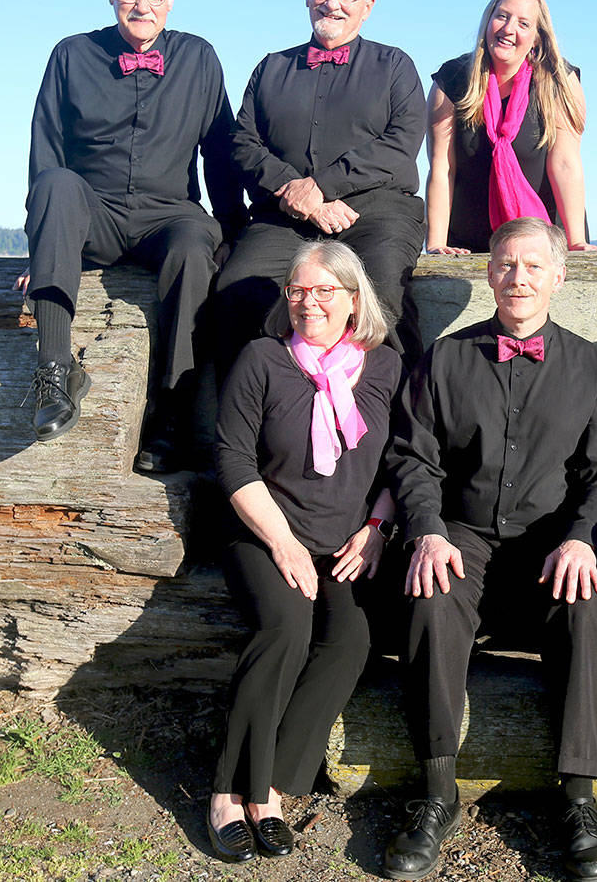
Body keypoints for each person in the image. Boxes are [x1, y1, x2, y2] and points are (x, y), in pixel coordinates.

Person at [382, 218, 597, 881]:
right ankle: (435, 790)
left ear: (558, 275)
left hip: (550, 543)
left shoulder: (591, 366)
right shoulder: (446, 358)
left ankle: (576, 795)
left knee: (588, 609)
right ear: (488, 273)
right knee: (428, 593)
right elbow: (412, 456)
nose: (518, 277)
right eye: (506, 264)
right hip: (463, 535)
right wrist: (426, 526)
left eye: (533, 265)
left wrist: (581, 537)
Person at [207, 241, 399, 863]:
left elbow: (402, 462)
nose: (308, 302)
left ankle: (274, 785)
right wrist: (282, 541)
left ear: (353, 299)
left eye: (323, 291)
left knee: (350, 640)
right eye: (297, 290)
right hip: (264, 533)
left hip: (345, 541)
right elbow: (232, 457)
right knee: (287, 627)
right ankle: (229, 792)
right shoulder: (263, 358)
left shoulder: (385, 367)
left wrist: (375, 527)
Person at [19, 0, 245, 470]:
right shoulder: (71, 54)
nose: (143, 5)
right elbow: (44, 150)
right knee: (55, 181)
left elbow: (219, 151)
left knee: (194, 240)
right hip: (90, 212)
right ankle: (55, 370)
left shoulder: (199, 57)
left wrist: (235, 231)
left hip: (167, 215)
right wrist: (45, 246)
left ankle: (171, 416)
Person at [217, 0, 427, 372]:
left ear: (367, 8)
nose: (333, 3)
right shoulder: (270, 68)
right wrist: (296, 191)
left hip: (376, 212)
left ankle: (404, 429)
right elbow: (243, 142)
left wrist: (321, 187)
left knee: (385, 292)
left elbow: (400, 142)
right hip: (284, 214)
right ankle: (248, 423)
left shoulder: (395, 66)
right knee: (236, 290)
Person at [425, 0, 590, 254]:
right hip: (469, 244)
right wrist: (436, 244)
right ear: (488, 20)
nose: (508, 29)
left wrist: (577, 242)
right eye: (501, 16)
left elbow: (565, 164)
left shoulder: (560, 81)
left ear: (537, 38)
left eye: (523, 23)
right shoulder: (452, 80)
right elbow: (443, 167)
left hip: (544, 241)